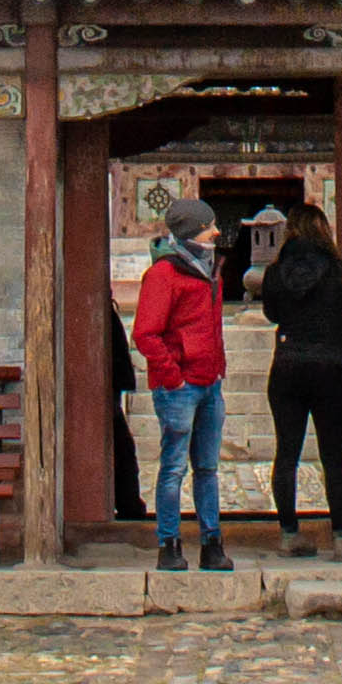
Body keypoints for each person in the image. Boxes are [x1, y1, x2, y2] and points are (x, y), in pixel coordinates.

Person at [238, 202, 342, 558]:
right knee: (333, 456)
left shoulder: (275, 272)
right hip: (330, 367)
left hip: (287, 366)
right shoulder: (337, 270)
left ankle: (289, 533)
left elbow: (271, 312)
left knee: (287, 453)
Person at [128, 192, 231, 570]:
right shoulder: (164, 275)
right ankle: (169, 543)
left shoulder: (210, 272)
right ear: (192, 232)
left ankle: (212, 543)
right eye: (209, 227)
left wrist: (218, 368)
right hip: (180, 387)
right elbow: (146, 333)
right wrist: (173, 377)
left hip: (210, 382)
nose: (216, 233)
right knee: (173, 468)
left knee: (208, 468)